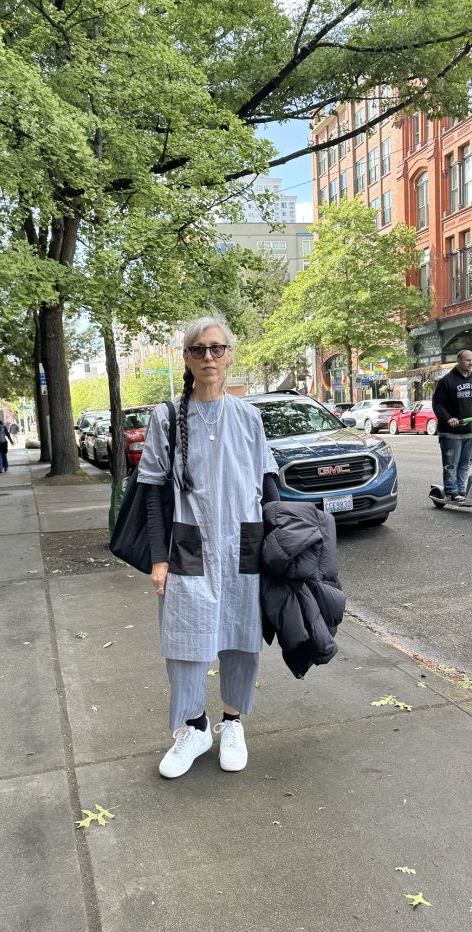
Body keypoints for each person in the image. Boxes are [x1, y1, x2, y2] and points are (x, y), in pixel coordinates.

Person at [137, 316, 280, 779]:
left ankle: (232, 723)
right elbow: (154, 494)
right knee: (184, 640)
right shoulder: (166, 418)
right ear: (186, 358)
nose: (209, 358)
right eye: (199, 350)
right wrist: (159, 558)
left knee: (241, 636)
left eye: (217, 348)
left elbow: (268, 483)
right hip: (188, 545)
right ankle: (194, 727)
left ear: (230, 354)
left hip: (245, 541)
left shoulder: (249, 416)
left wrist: (279, 547)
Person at [431, 349, 472, 502]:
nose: (471, 363)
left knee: (465, 464)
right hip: (450, 431)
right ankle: (451, 492)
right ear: (459, 360)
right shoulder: (446, 381)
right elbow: (437, 404)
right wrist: (448, 419)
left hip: (468, 428)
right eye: (467, 360)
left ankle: (460, 490)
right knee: (451, 464)